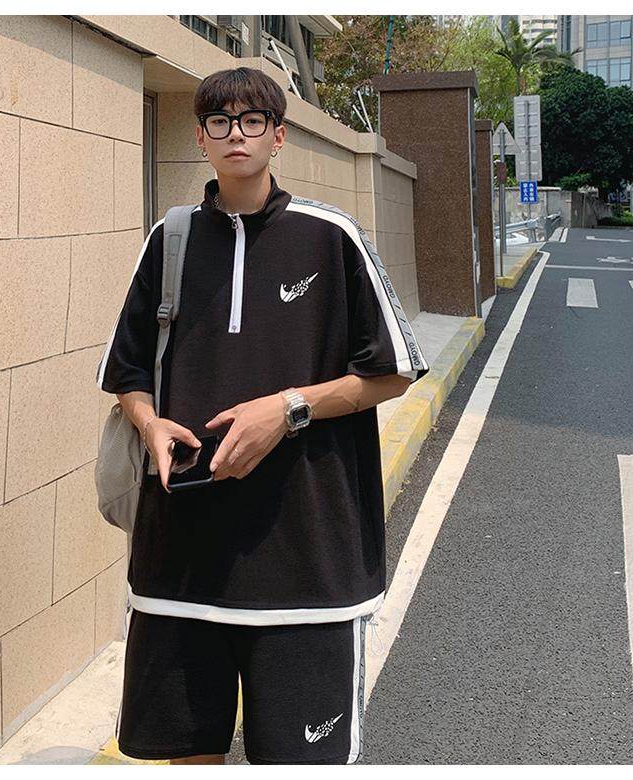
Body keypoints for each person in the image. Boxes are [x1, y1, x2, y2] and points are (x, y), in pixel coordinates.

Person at [95, 66, 430, 765]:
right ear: (201, 138)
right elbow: (127, 373)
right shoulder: (170, 239)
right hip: (180, 563)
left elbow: (394, 370)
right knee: (189, 756)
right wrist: (149, 424)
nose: (236, 135)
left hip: (308, 561)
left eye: (253, 121)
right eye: (220, 122)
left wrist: (289, 408)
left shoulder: (330, 236)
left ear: (278, 137)